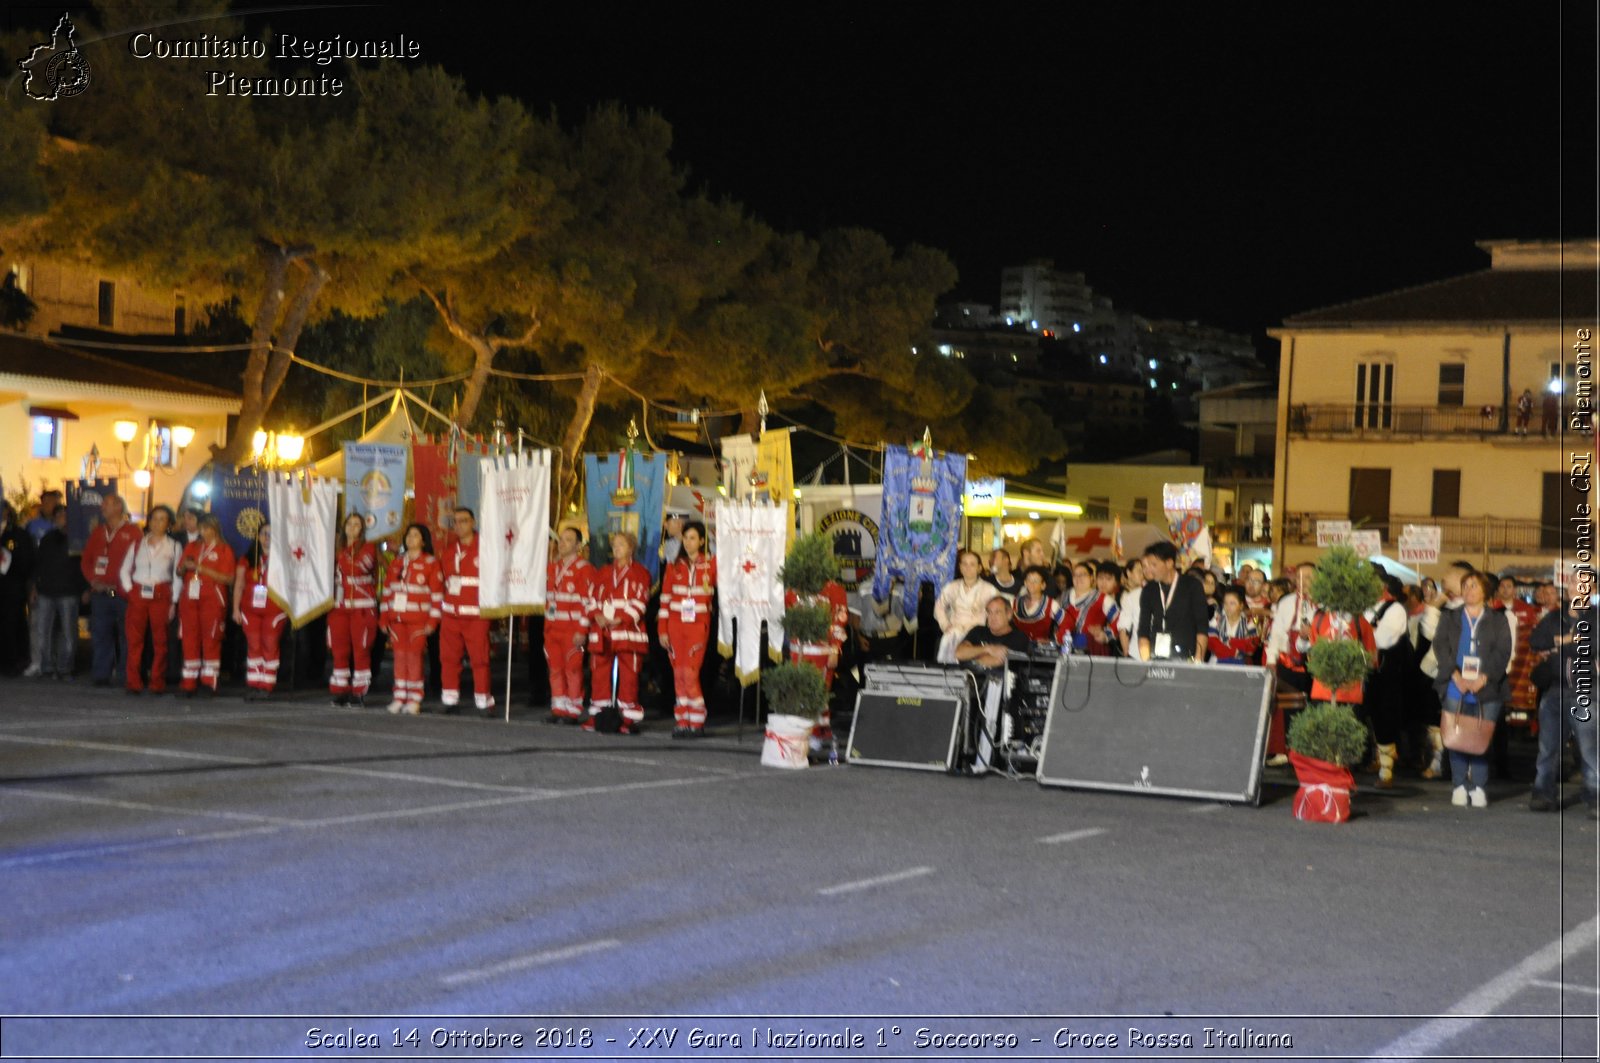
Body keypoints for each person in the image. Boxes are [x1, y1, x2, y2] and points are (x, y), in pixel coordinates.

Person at [1430, 570, 1512, 807]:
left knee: (1479, 737)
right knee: (1455, 737)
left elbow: (1502, 652)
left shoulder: (1498, 619)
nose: (1468, 591)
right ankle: (1458, 785)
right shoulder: (1450, 617)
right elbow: (1440, 646)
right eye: (1465, 586)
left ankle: (1478, 785)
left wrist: (1483, 678)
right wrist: (1455, 675)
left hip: (1486, 688)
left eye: (1474, 586)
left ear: (1485, 591)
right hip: (1455, 685)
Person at [1528, 584, 1599, 816]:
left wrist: (1557, 643)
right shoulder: (1554, 615)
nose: (1573, 589)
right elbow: (1536, 641)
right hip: (1554, 690)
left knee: (1590, 750)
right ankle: (1542, 793)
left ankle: (1595, 796)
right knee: (1547, 748)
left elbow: (1592, 645)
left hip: (1585, 691)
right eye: (1570, 584)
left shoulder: (1596, 616)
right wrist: (1569, 639)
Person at [586, 531, 651, 734]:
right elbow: (591, 597)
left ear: (631, 548)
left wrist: (620, 618)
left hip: (628, 631)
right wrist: (597, 614)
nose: (616, 548)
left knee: (629, 676)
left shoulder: (640, 572)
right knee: (599, 673)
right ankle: (599, 716)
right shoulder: (603, 572)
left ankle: (627, 719)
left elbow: (641, 602)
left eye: (621, 544)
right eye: (614, 545)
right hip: (603, 631)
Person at [659, 519, 716, 738]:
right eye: (686, 538)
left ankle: (697, 721)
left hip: (697, 628)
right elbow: (665, 600)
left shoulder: (710, 565)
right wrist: (662, 630)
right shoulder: (675, 565)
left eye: (693, 538)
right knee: (678, 674)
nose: (689, 542)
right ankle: (682, 720)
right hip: (675, 627)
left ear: (702, 541)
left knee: (690, 673)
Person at [79, 494, 143, 687]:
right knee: (100, 634)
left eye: (106, 504)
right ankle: (101, 674)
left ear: (118, 507)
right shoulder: (98, 532)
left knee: (127, 635)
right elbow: (86, 561)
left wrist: (127, 586)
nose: (102, 508)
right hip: (101, 594)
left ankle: (126, 674)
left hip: (123, 594)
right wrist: (93, 581)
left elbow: (139, 562)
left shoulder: (133, 532)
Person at [381, 523, 442, 715]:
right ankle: (399, 696)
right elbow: (387, 592)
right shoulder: (397, 562)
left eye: (415, 535)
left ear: (423, 541)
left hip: (418, 621)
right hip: (397, 620)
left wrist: (433, 621)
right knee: (399, 658)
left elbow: (437, 596)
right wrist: (384, 618)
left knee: (415, 659)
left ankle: (415, 698)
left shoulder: (431, 563)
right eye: (408, 535)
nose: (410, 539)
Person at [119, 505, 180, 695]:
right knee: (134, 639)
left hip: (161, 593)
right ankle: (133, 681)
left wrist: (174, 601)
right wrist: (130, 591)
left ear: (169, 524)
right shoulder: (138, 544)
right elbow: (124, 569)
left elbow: (177, 576)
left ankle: (156, 681)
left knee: (160, 640)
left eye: (162, 519)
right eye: (154, 518)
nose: (157, 523)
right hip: (139, 592)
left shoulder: (174, 546)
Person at [439, 507, 494, 716]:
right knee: (448, 658)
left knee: (479, 659)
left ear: (473, 522)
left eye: (463, 520)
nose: (459, 525)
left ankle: (483, 701)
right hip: (451, 614)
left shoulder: (486, 548)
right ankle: (450, 699)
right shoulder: (449, 550)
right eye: (455, 521)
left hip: (476, 614)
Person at [1364, 573, 1413, 787]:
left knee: (1384, 718)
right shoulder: (1363, 607)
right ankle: (1375, 758)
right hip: (1364, 672)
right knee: (1369, 718)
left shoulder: (1395, 609)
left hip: (1386, 674)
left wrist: (1365, 633)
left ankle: (1386, 770)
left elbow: (1381, 640)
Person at [177, 514, 234, 697]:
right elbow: (179, 571)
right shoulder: (192, 546)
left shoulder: (224, 550)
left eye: (205, 528)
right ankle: (189, 683)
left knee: (211, 639)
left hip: (212, 599)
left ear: (214, 528)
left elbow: (229, 578)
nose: (201, 532)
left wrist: (202, 569)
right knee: (189, 639)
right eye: (200, 528)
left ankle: (209, 683)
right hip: (190, 598)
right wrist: (185, 567)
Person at [328, 512, 379, 707]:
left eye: (356, 524)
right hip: (339, 607)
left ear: (362, 529)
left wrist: (342, 557)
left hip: (362, 607)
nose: (352, 527)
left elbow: (359, 568)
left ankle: (359, 692)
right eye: (349, 523)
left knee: (361, 650)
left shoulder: (368, 548)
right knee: (339, 650)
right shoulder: (337, 549)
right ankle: (340, 690)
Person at [544, 525, 593, 724]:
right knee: (555, 668)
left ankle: (574, 709)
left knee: (572, 669)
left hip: (572, 629)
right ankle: (558, 707)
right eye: (561, 539)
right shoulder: (552, 567)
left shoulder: (584, 569)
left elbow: (588, 602)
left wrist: (582, 629)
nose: (562, 544)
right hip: (552, 627)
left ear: (578, 545)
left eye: (568, 540)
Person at [233, 522, 287, 701]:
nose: (267, 537)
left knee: (270, 646)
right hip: (250, 610)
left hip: (274, 609)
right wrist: (235, 609)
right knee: (254, 646)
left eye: (271, 534)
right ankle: (254, 684)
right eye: (264, 533)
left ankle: (267, 684)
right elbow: (239, 585)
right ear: (258, 536)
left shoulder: (283, 559)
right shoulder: (247, 559)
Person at [30, 507, 82, 680]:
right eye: (58, 515)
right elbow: (38, 564)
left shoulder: (78, 538)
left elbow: (82, 566)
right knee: (43, 632)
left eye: (65, 515)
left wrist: (83, 588)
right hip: (46, 591)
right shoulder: (47, 538)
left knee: (68, 633)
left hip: (69, 592)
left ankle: (65, 668)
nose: (62, 518)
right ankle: (46, 668)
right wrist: (35, 586)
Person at [1136, 541, 1209, 662]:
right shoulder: (1149, 590)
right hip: (1156, 657)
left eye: (1154, 564)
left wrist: (1198, 662)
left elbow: (1202, 627)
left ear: (1169, 563)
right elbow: (1143, 628)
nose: (1149, 569)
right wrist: (1146, 662)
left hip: (1186, 656)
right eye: (1147, 565)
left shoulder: (1192, 586)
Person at [933, 550, 999, 664]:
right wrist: (945, 624)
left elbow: (998, 611)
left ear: (979, 568)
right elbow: (939, 607)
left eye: (972, 564)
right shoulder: (952, 587)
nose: (968, 568)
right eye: (964, 564)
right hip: (954, 631)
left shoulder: (990, 589)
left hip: (977, 634)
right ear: (960, 567)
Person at [955, 595, 1031, 668]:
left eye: (997, 612)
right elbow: (959, 653)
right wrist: (988, 649)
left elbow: (995, 661)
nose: (992, 617)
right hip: (969, 679)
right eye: (989, 612)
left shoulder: (1019, 637)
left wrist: (971, 655)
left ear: (1009, 614)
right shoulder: (978, 631)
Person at [1207, 585, 1262, 665]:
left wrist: (1228, 642)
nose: (1228, 607)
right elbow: (1211, 642)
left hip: (1241, 665)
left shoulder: (1249, 622)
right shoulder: (1217, 619)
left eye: (1232, 603)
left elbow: (1250, 648)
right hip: (1216, 663)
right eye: (1225, 603)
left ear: (1241, 605)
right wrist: (1236, 649)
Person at [1012, 565, 1065, 646]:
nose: (1031, 584)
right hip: (1017, 649)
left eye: (1036, 581)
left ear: (1043, 585)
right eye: (1029, 580)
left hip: (1040, 652)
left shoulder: (1051, 605)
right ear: (1025, 583)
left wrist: (1053, 639)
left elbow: (1067, 623)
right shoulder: (1014, 602)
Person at [1116, 558, 1144, 656]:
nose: (1143, 575)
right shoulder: (1123, 595)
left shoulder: (1145, 593)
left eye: (1144, 571)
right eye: (1139, 571)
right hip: (1128, 645)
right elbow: (1123, 626)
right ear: (1129, 573)